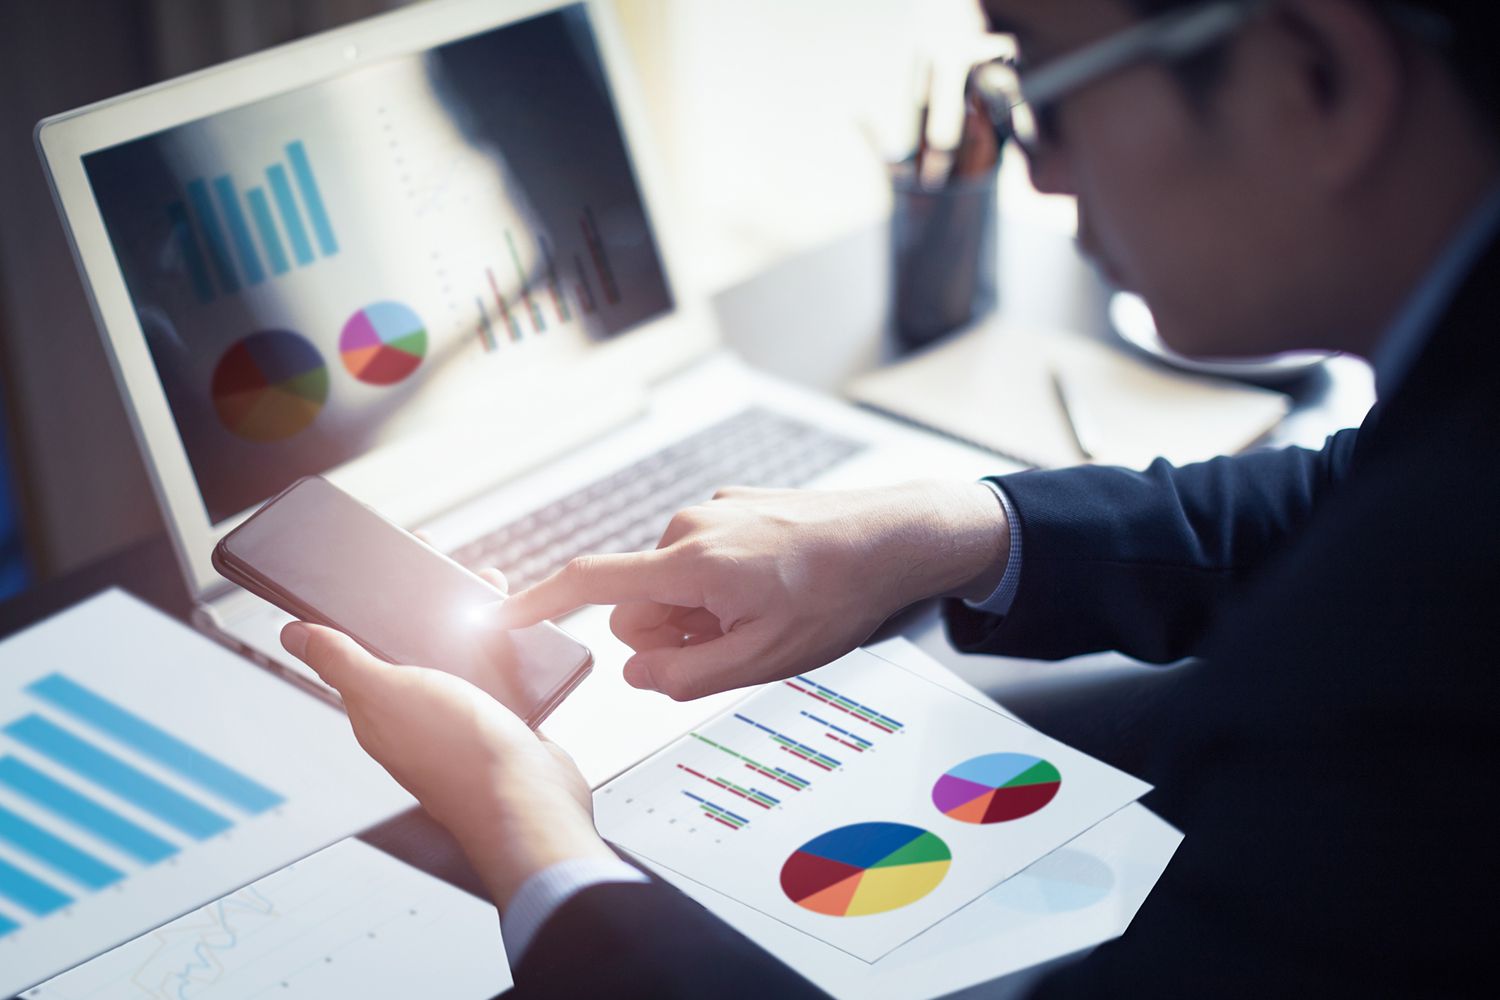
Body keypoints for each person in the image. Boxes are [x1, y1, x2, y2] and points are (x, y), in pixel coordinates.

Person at [280, 0, 1500, 994]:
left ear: (1317, 72)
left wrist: (532, 840)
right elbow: (1341, 488)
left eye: (1043, 92)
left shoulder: (1382, 692)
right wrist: (937, 533)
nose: (1044, 174)